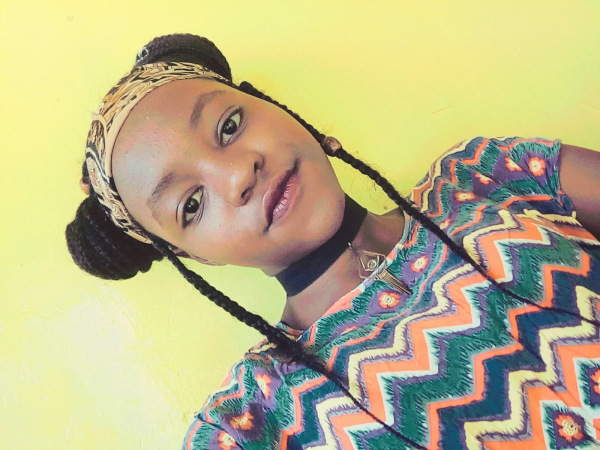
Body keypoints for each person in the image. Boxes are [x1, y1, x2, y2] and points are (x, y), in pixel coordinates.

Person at [66, 34, 600, 449]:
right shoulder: (259, 416)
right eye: (190, 204)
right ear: (193, 256)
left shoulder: (482, 177)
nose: (238, 174)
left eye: (229, 126)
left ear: (273, 105)